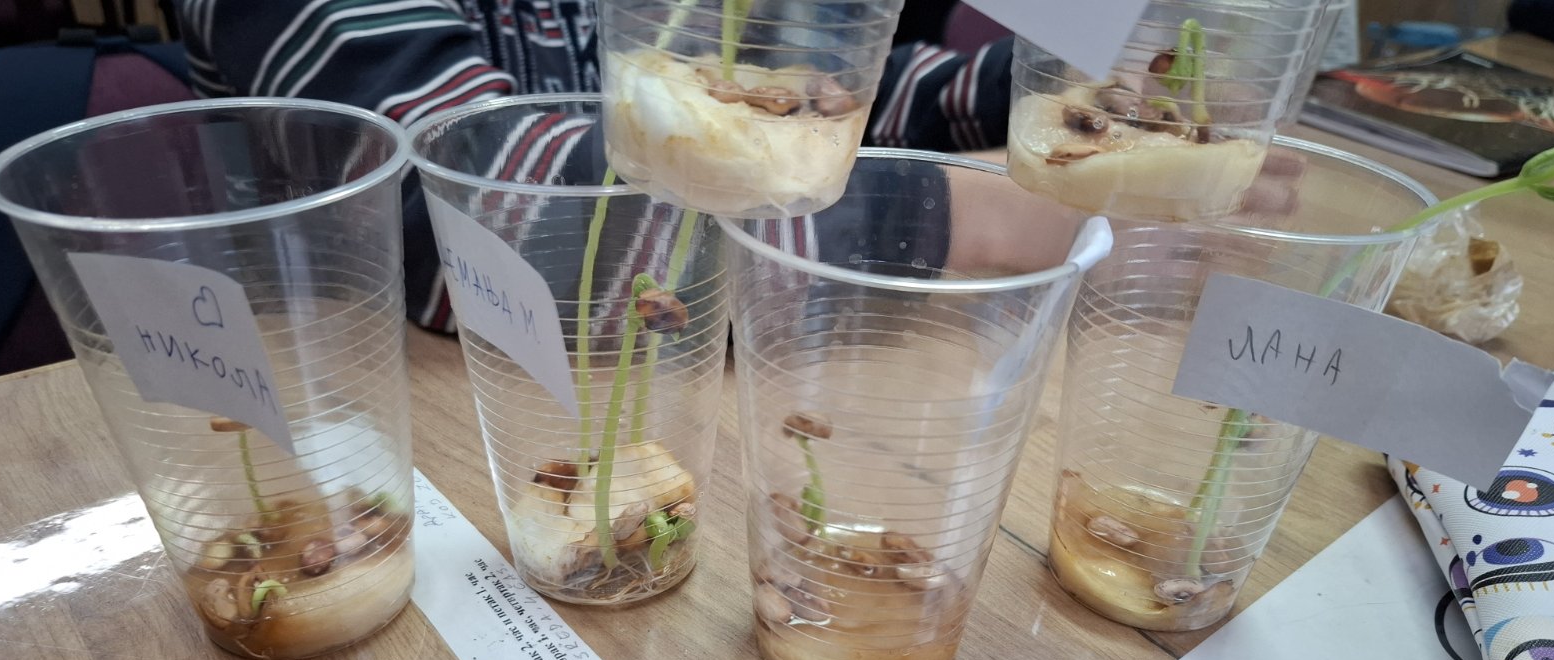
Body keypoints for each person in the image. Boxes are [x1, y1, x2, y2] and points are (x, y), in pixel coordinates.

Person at [174, 0, 1030, 332]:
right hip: (387, 431)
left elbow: (779, 97)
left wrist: (1030, 95)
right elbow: (478, 218)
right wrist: (968, 217)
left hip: (669, 403)